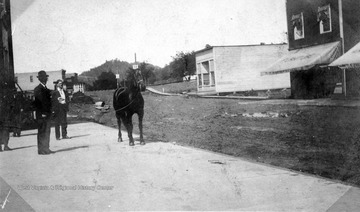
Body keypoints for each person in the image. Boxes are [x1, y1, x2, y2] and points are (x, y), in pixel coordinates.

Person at [33, 70, 54, 155]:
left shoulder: (45, 89)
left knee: (47, 131)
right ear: (40, 79)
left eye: (45, 78)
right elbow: (38, 103)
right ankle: (41, 150)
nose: (45, 79)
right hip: (42, 114)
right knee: (42, 131)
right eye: (43, 78)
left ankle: (46, 148)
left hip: (47, 113)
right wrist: (42, 112)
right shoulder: (38, 89)